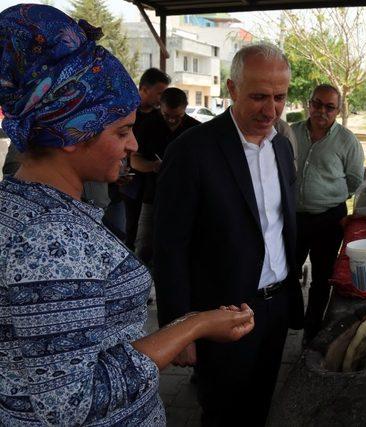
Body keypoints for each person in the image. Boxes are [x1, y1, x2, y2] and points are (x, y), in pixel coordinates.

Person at [0, 5, 254, 425]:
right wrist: (192, 328)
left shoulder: (26, 203)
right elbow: (73, 403)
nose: (133, 144)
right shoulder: (49, 238)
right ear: (72, 133)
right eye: (120, 131)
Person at [154, 43, 304, 426]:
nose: (270, 110)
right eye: (258, 96)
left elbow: (280, 224)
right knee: (223, 412)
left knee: (260, 406)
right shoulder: (192, 150)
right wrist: (179, 329)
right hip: (221, 313)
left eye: (279, 97)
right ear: (232, 89)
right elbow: (170, 246)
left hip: (275, 308)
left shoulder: (282, 148)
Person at [291, 84, 365, 342]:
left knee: (322, 278)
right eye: (317, 103)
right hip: (293, 217)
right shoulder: (291, 133)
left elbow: (355, 180)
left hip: (329, 219)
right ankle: (293, 318)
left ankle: (311, 332)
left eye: (329, 106)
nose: (322, 110)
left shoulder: (347, 141)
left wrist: (331, 198)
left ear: (338, 109)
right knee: (287, 271)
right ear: (309, 103)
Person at [130, 87, 199, 266]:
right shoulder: (148, 125)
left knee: (182, 249)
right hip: (153, 197)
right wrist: (153, 166)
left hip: (187, 199)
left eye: (178, 116)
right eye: (167, 115)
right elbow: (134, 161)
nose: (172, 120)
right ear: (160, 107)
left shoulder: (196, 129)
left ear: (186, 108)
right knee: (144, 247)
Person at [121, 68, 171, 251]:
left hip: (153, 185)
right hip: (129, 182)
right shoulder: (125, 112)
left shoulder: (161, 117)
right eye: (159, 93)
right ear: (143, 89)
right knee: (131, 229)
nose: (162, 98)